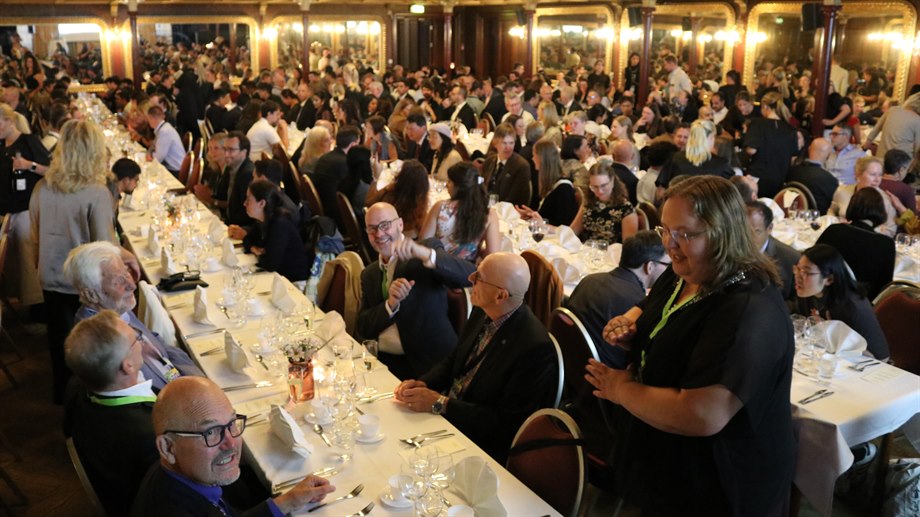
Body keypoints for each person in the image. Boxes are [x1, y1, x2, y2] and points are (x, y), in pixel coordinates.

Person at [585, 175, 794, 515]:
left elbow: (702, 413)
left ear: (723, 233)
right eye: (665, 230)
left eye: (684, 233)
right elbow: (665, 321)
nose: (670, 243)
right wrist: (634, 333)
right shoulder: (687, 271)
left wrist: (621, 390)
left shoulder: (747, 310)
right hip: (668, 465)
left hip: (721, 483)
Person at [394, 252, 557, 464]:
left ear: (500, 296)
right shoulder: (483, 310)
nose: (470, 278)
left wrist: (439, 403)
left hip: (479, 448)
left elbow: (504, 425)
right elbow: (455, 359)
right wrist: (424, 383)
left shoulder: (534, 348)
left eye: (479, 277)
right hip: (449, 418)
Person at [131, 377, 335, 516]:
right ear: (168, 447)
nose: (231, 442)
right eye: (210, 432)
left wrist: (288, 501)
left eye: (231, 424)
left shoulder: (177, 477)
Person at [29, 120, 120, 403]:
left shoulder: (42, 188)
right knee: (92, 348)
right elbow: (105, 248)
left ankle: (63, 397)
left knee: (60, 344)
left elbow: (34, 238)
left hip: (51, 275)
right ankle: (88, 405)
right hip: (85, 282)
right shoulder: (96, 193)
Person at [357, 202, 476, 380]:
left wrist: (425, 254)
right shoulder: (369, 273)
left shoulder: (425, 250)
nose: (379, 234)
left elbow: (470, 275)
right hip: (381, 364)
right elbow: (363, 327)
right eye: (372, 229)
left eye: (384, 225)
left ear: (400, 225)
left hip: (427, 367)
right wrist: (390, 305)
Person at [66, 241, 203, 389]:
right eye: (118, 280)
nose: (132, 285)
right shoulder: (99, 341)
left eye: (126, 273)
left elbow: (159, 344)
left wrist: (196, 378)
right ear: (91, 295)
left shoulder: (113, 307)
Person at [63, 310, 160, 515]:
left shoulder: (76, 387)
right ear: (128, 365)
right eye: (136, 339)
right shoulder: (151, 432)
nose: (141, 342)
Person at [565, 231, 670, 369]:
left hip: (567, 364)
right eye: (668, 265)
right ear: (649, 267)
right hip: (598, 378)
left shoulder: (589, 279)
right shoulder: (637, 305)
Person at [791, 244, 890, 360]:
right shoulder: (807, 293)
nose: (798, 276)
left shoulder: (853, 308)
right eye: (797, 269)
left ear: (829, 279)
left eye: (806, 272)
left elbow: (880, 358)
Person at [0, 102, 51, 310]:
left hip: (26, 210)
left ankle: (35, 306)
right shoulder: (2, 146)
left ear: (9, 121)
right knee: (15, 264)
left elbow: (50, 171)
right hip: (8, 211)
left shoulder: (29, 141)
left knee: (27, 263)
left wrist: (28, 165)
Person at [818, 187, 895, 301]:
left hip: (825, 297)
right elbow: (884, 288)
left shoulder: (834, 230)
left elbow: (814, 261)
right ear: (881, 210)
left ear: (852, 207)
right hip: (861, 303)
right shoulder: (886, 244)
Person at [420, 161, 501, 261]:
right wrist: (477, 250)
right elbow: (493, 255)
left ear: (458, 187)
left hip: (437, 266)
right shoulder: (489, 215)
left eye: (449, 181)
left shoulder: (440, 208)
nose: (447, 185)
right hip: (465, 272)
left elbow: (423, 242)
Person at [242, 179, 309, 284]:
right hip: (278, 276)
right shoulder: (263, 219)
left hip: (293, 283)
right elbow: (247, 239)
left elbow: (270, 264)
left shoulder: (279, 224)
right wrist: (254, 248)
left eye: (248, 200)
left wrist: (260, 253)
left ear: (261, 203)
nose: (244, 204)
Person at [743, 92, 798, 198]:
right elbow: (793, 158)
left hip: (758, 176)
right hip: (779, 179)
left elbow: (751, 150)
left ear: (765, 106)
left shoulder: (758, 123)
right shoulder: (790, 129)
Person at [655, 120, 734, 193]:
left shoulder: (674, 158)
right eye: (714, 137)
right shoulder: (722, 165)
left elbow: (660, 192)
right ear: (710, 137)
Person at [515, 139, 579, 227]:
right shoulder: (550, 183)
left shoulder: (564, 189)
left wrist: (538, 220)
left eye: (534, 155)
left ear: (541, 159)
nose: (532, 159)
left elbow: (564, 225)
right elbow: (547, 216)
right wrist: (531, 214)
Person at [571, 161, 638, 244]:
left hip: (611, 254)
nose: (600, 191)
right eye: (594, 187)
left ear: (612, 181)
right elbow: (573, 231)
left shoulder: (626, 209)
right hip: (587, 251)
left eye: (604, 185)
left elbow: (628, 247)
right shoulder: (589, 202)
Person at [828, 156, 897, 236]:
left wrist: (867, 229)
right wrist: (837, 222)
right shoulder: (842, 191)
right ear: (858, 175)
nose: (877, 179)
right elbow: (831, 211)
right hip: (842, 236)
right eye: (873, 174)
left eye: (880, 175)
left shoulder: (885, 200)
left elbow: (891, 230)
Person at [746, 201, 800, 301]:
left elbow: (796, 301)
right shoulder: (729, 250)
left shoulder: (790, 259)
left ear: (769, 228)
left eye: (756, 232)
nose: (748, 238)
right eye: (743, 231)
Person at [311, 125, 360, 232]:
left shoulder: (324, 157)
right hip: (338, 217)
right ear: (353, 145)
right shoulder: (346, 164)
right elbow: (358, 195)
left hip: (322, 208)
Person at [365, 160, 430, 239]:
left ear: (400, 177)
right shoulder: (419, 209)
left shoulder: (388, 192)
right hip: (397, 246)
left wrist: (375, 179)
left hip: (379, 238)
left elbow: (368, 202)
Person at [785, 137, 838, 214]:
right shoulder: (828, 179)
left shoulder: (791, 171)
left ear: (809, 149)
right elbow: (836, 203)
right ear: (829, 156)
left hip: (791, 215)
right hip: (818, 220)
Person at [482, 123, 531, 206]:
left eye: (511, 143)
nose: (508, 147)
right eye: (504, 143)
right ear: (495, 143)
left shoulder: (521, 166)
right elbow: (481, 189)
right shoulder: (489, 161)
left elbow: (514, 200)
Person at [864, 92, 920, 158]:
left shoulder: (892, 110)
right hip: (901, 163)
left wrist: (864, 148)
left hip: (881, 157)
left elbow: (874, 131)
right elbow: (917, 149)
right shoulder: (917, 120)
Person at [145, 105, 185, 175]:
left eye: (148, 119)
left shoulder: (165, 131)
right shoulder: (163, 127)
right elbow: (153, 146)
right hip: (171, 166)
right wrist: (149, 153)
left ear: (152, 118)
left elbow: (159, 157)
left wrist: (149, 156)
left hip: (176, 170)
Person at [880, 149, 916, 214]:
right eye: (907, 169)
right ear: (901, 170)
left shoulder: (875, 182)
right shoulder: (905, 190)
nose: (907, 173)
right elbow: (914, 218)